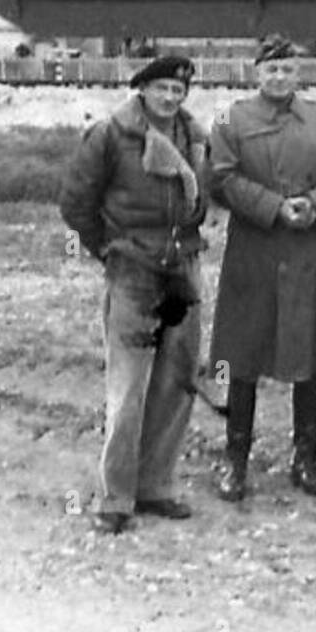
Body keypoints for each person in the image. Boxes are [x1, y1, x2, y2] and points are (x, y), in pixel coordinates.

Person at [60, 55, 210, 534]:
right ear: (142, 90)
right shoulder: (108, 135)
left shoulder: (194, 136)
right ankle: (116, 497)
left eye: (178, 90)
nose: (170, 97)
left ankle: (156, 487)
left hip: (182, 269)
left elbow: (204, 198)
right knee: (127, 388)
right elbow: (76, 202)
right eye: (162, 87)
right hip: (133, 270)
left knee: (176, 380)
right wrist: (106, 249)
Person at [208, 34, 316, 502]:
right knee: (244, 353)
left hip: (310, 248)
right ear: (256, 74)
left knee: (310, 351)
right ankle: (235, 463)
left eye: (288, 69)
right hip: (254, 249)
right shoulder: (232, 119)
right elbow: (222, 176)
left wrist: (315, 205)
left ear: (300, 74)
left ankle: (306, 460)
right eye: (271, 69)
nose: (279, 77)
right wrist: (274, 207)